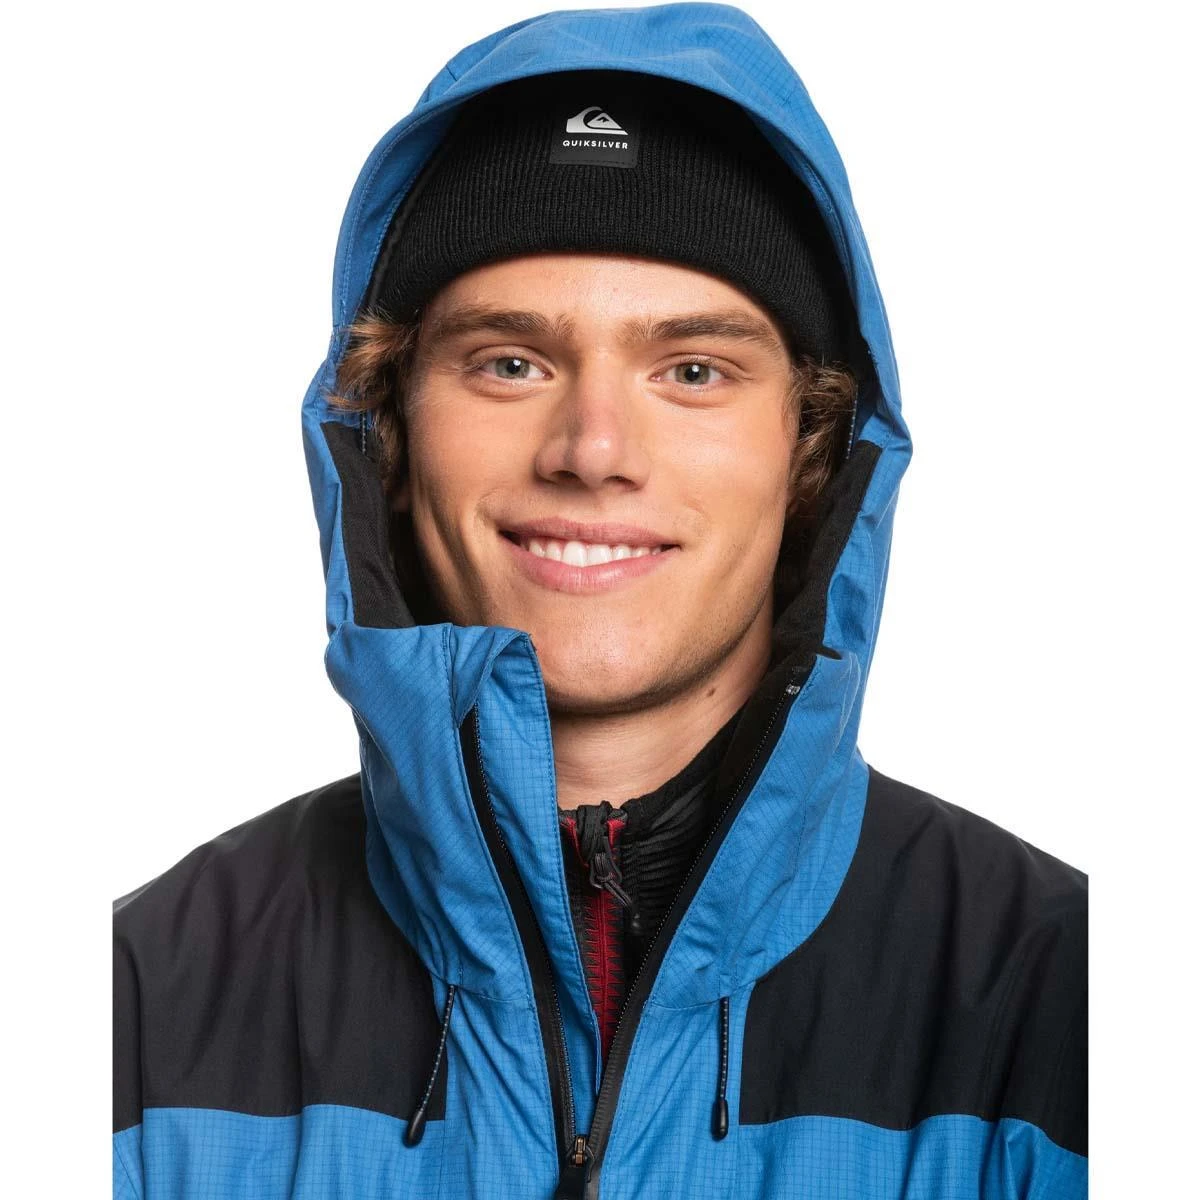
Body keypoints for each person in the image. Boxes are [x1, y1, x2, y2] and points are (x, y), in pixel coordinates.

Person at [112, 5, 1087, 1198]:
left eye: (694, 370)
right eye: (510, 362)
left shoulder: (1067, 1008)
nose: (593, 449)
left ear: (814, 450)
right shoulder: (134, 1012)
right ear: (389, 434)